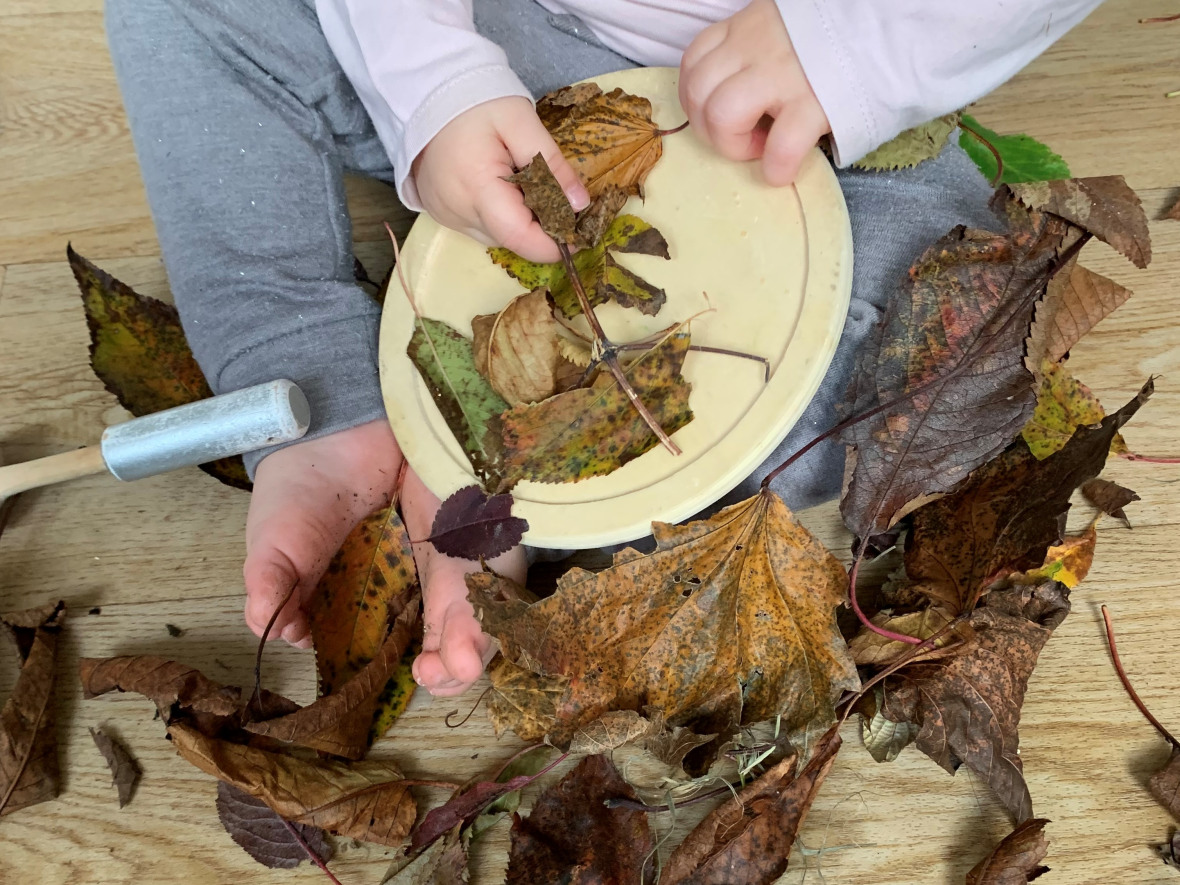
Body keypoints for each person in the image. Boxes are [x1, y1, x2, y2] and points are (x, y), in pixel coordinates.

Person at [103, 0, 1102, 698]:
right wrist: (436, 81)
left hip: (827, 136)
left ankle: (522, 487)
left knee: (948, 326)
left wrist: (848, 41)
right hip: (519, 46)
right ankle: (318, 390)